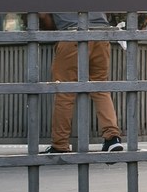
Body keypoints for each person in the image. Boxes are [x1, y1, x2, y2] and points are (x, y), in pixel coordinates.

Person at [42, 11, 124, 153]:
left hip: (71, 35)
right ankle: (112, 138)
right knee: (100, 88)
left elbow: (42, 15)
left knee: (65, 91)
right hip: (101, 35)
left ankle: (60, 144)